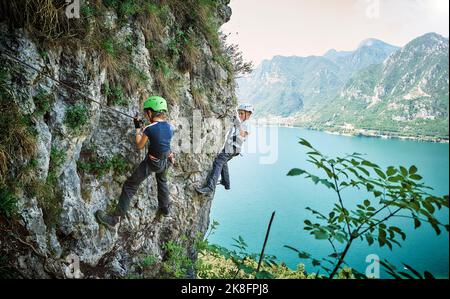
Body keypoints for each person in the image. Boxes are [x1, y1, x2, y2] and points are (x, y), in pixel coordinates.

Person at [95, 96, 174, 229]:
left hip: (152, 163)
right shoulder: (171, 127)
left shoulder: (150, 129)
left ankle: (115, 219)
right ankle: (165, 208)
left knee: (129, 186)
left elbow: (139, 145)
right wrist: (146, 128)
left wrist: (138, 127)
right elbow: (161, 138)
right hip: (167, 160)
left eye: (146, 112)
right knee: (162, 181)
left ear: (150, 112)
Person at [195, 103, 254, 195]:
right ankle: (226, 182)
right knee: (223, 162)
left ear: (248, 115)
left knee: (218, 162)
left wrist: (237, 123)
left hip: (232, 148)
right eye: (239, 113)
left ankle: (210, 187)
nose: (240, 115)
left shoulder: (247, 124)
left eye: (242, 113)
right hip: (231, 148)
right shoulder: (242, 123)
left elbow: (242, 134)